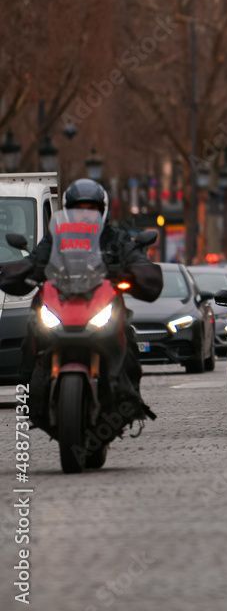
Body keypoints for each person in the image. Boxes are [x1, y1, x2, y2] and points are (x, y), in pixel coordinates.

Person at [0, 178, 163, 432]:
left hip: (100, 305)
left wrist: (137, 272)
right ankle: (29, 399)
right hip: (62, 304)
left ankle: (129, 400)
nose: (85, 214)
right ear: (67, 210)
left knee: (127, 337)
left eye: (91, 209)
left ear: (102, 210)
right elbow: (36, 259)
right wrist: (22, 270)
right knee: (31, 336)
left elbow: (134, 256)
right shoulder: (55, 239)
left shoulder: (114, 237)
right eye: (79, 208)